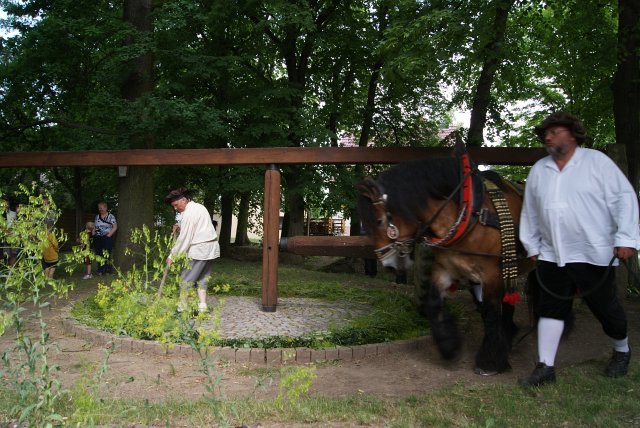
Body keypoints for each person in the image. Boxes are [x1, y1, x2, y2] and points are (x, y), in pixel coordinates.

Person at [518, 111, 639, 387]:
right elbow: (531, 211)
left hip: (592, 252)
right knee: (549, 308)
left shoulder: (597, 163)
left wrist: (627, 238)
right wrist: (532, 244)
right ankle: (545, 367)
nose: (548, 137)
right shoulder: (540, 170)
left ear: (572, 134)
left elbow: (624, 198)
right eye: (545, 133)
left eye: (555, 131)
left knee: (605, 308)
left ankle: (621, 350)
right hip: (552, 254)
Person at [165, 188, 220, 313]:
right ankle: (202, 307)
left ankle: (182, 309)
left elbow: (185, 238)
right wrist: (179, 225)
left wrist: (172, 256)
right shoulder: (198, 207)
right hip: (211, 248)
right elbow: (195, 225)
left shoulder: (189, 213)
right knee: (202, 278)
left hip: (200, 249)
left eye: (176, 205)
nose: (175, 208)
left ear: (183, 200)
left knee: (186, 278)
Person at [93, 201, 117, 275]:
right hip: (97, 238)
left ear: (106, 208)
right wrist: (93, 233)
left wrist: (109, 235)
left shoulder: (111, 216)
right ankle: (100, 270)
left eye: (101, 208)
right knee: (98, 253)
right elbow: (95, 226)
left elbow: (115, 227)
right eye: (99, 208)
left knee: (107, 254)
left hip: (106, 238)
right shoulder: (97, 216)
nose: (100, 209)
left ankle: (107, 270)